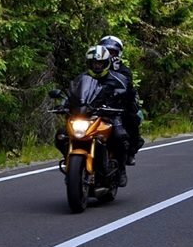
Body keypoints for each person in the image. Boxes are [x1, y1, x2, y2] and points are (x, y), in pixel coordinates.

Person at [58, 45, 132, 186]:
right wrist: (64, 104)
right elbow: (72, 93)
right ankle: (70, 164)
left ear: (106, 63)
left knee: (120, 136)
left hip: (109, 115)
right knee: (61, 135)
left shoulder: (118, 79)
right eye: (94, 63)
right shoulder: (81, 78)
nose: (97, 66)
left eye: (99, 63)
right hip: (85, 116)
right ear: (89, 64)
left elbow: (127, 94)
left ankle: (121, 170)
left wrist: (120, 102)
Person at [98, 35, 143, 166]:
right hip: (96, 105)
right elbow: (83, 84)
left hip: (118, 105)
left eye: (113, 52)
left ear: (119, 53)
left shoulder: (123, 69)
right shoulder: (94, 67)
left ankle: (129, 153)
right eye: (107, 51)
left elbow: (128, 87)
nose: (110, 55)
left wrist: (116, 70)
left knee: (131, 119)